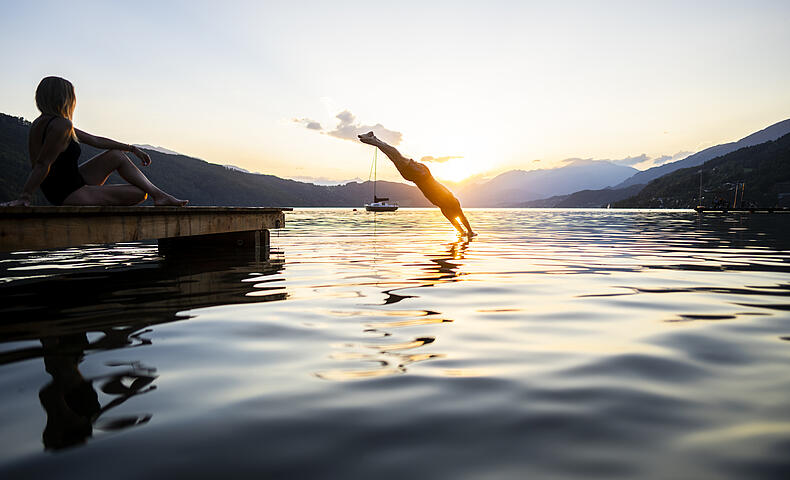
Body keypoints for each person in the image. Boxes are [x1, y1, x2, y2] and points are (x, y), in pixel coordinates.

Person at [2, 76, 187, 207]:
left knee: (116, 155)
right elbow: (42, 163)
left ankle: (160, 195)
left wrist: (132, 149)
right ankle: (160, 196)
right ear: (66, 98)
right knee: (139, 194)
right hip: (67, 192)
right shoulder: (61, 124)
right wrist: (25, 196)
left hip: (67, 183)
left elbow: (94, 140)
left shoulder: (43, 122)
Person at [358, 131, 474, 236]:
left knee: (394, 158)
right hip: (422, 174)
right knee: (398, 157)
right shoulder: (452, 202)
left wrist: (464, 232)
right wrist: (470, 232)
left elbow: (456, 222)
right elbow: (462, 218)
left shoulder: (444, 208)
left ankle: (374, 139)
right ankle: (374, 139)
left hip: (416, 177)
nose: (453, 215)